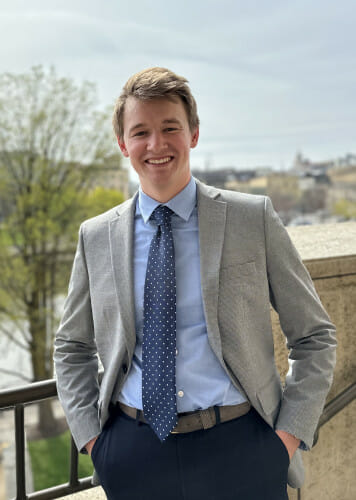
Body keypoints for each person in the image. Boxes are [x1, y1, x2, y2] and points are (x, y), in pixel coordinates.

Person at [54, 67, 336, 500]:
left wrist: (286, 439)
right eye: (141, 132)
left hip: (243, 447)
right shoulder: (96, 237)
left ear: (194, 134)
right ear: (123, 144)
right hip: (134, 454)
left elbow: (315, 336)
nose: (156, 144)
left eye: (170, 128)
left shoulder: (251, 218)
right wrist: (96, 443)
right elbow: (72, 347)